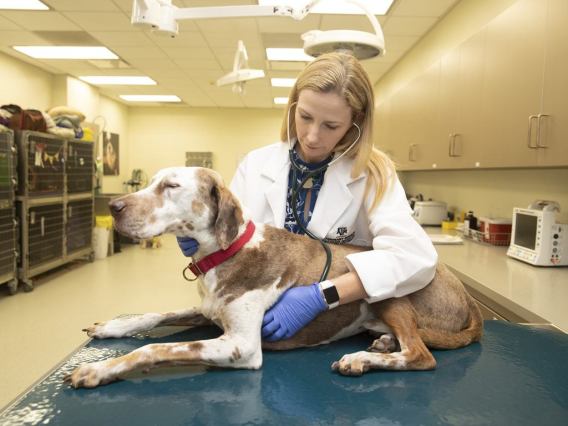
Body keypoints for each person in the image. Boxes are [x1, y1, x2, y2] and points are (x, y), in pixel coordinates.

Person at [178, 52, 437, 342]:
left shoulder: (374, 174)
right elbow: (232, 243)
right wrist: (202, 239)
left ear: (357, 121)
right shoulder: (256, 164)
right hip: (254, 316)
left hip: (337, 326)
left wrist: (322, 295)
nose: (313, 136)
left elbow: (415, 258)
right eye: (305, 117)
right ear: (293, 106)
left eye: (330, 126)